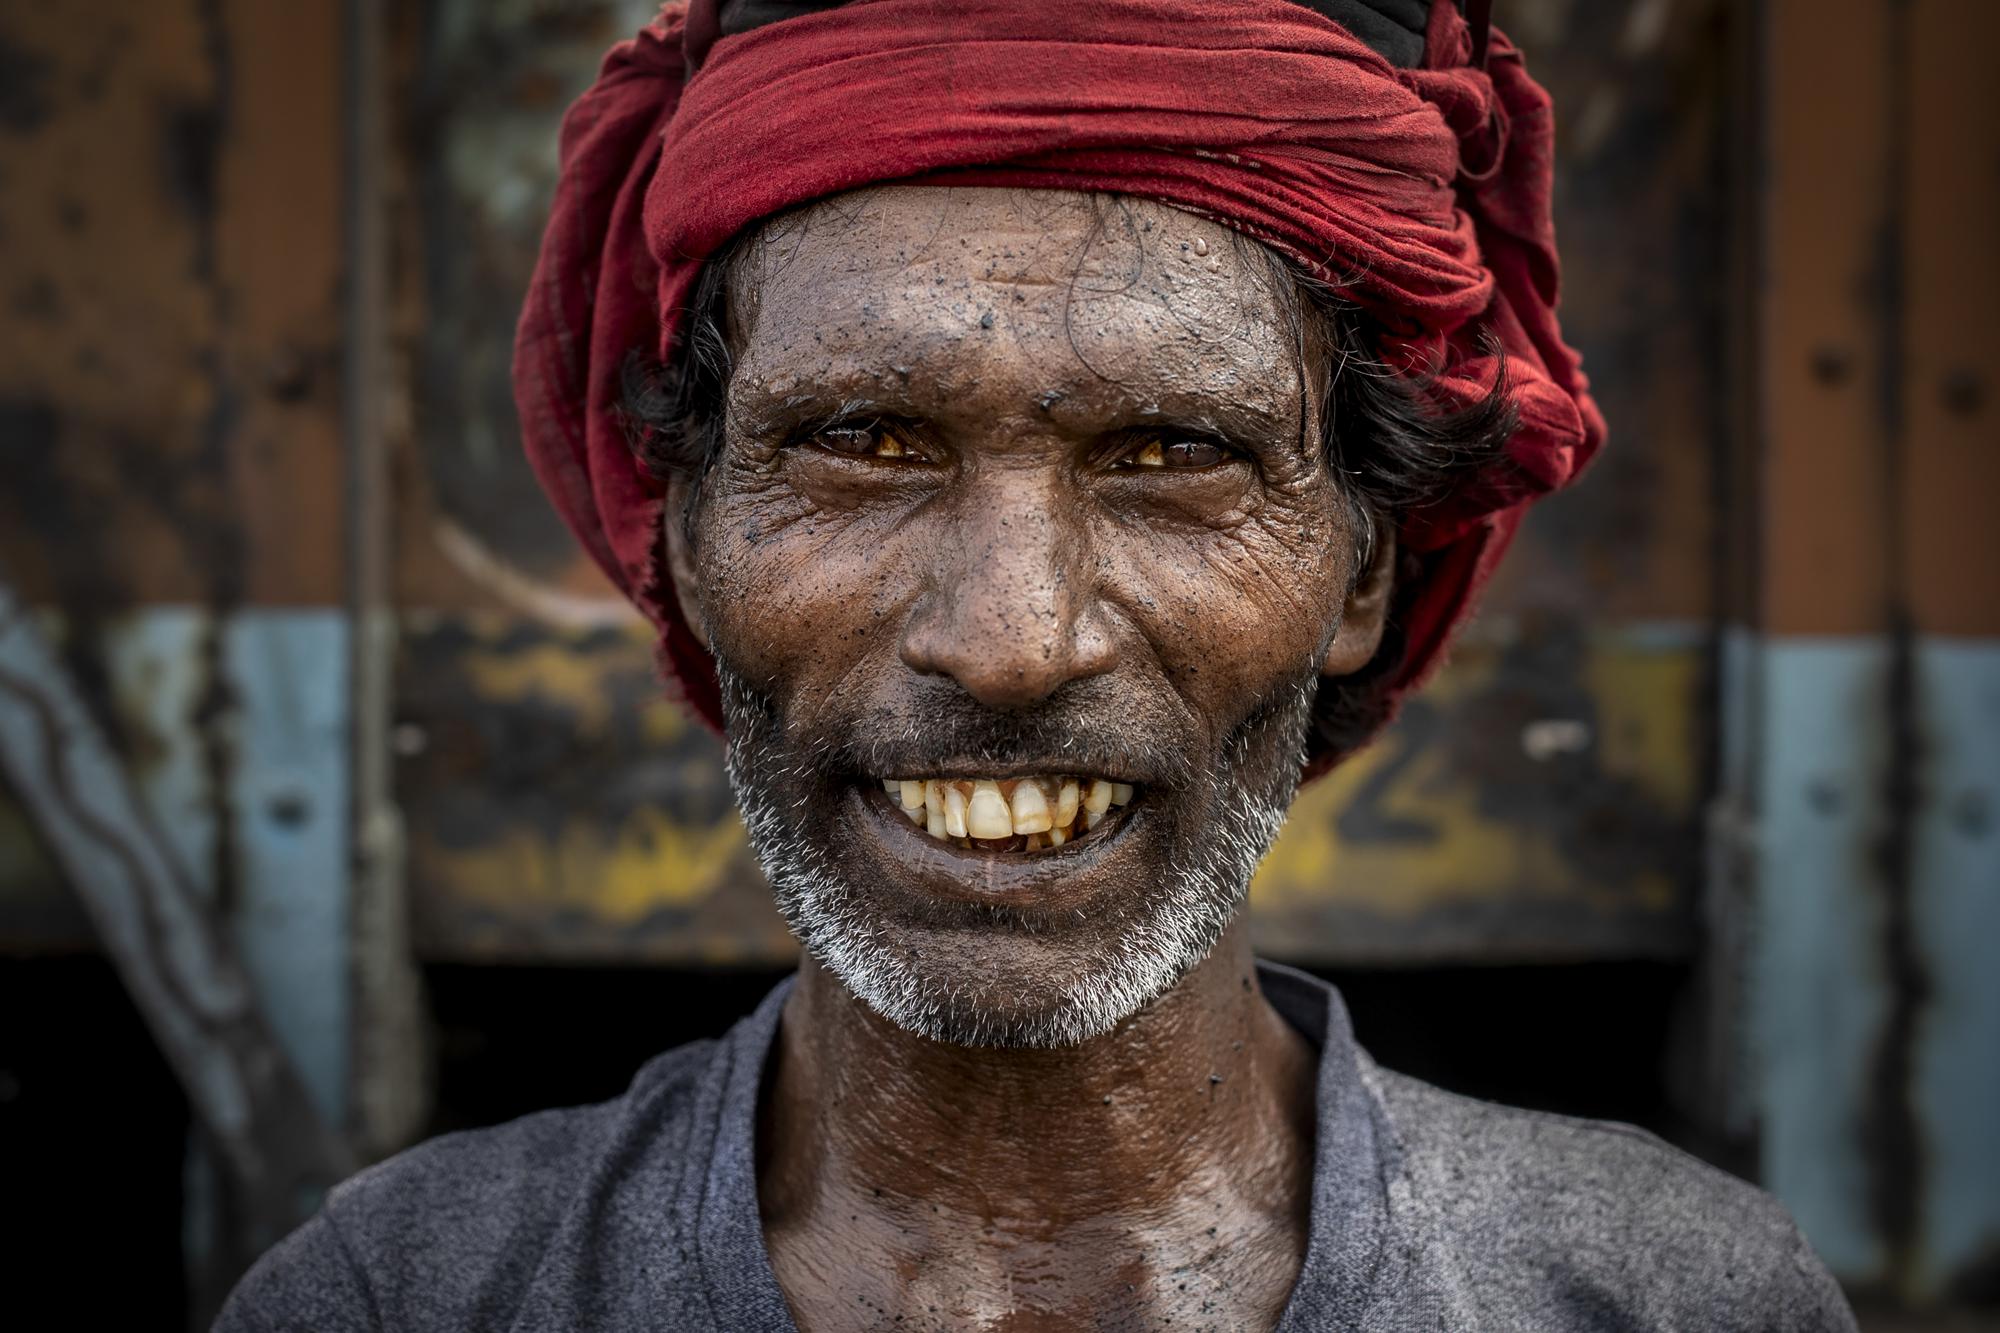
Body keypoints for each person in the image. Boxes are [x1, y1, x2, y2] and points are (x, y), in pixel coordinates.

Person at [220, 1, 1858, 1328]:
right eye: (863, 442)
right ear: (689, 534)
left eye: (1167, 451)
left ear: (1363, 567)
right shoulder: (403, 1293)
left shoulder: (1665, 1295)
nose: (1011, 641)